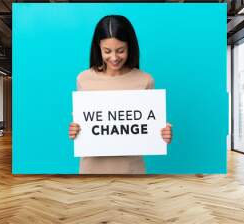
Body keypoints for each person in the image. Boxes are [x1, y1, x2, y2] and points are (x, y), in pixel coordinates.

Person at [69, 15, 172, 174]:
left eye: (120, 50)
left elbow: (149, 128)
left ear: (130, 47)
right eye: (107, 51)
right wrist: (75, 129)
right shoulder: (83, 79)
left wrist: (163, 133)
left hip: (131, 171)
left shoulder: (145, 80)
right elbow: (82, 124)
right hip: (91, 170)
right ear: (99, 48)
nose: (114, 58)